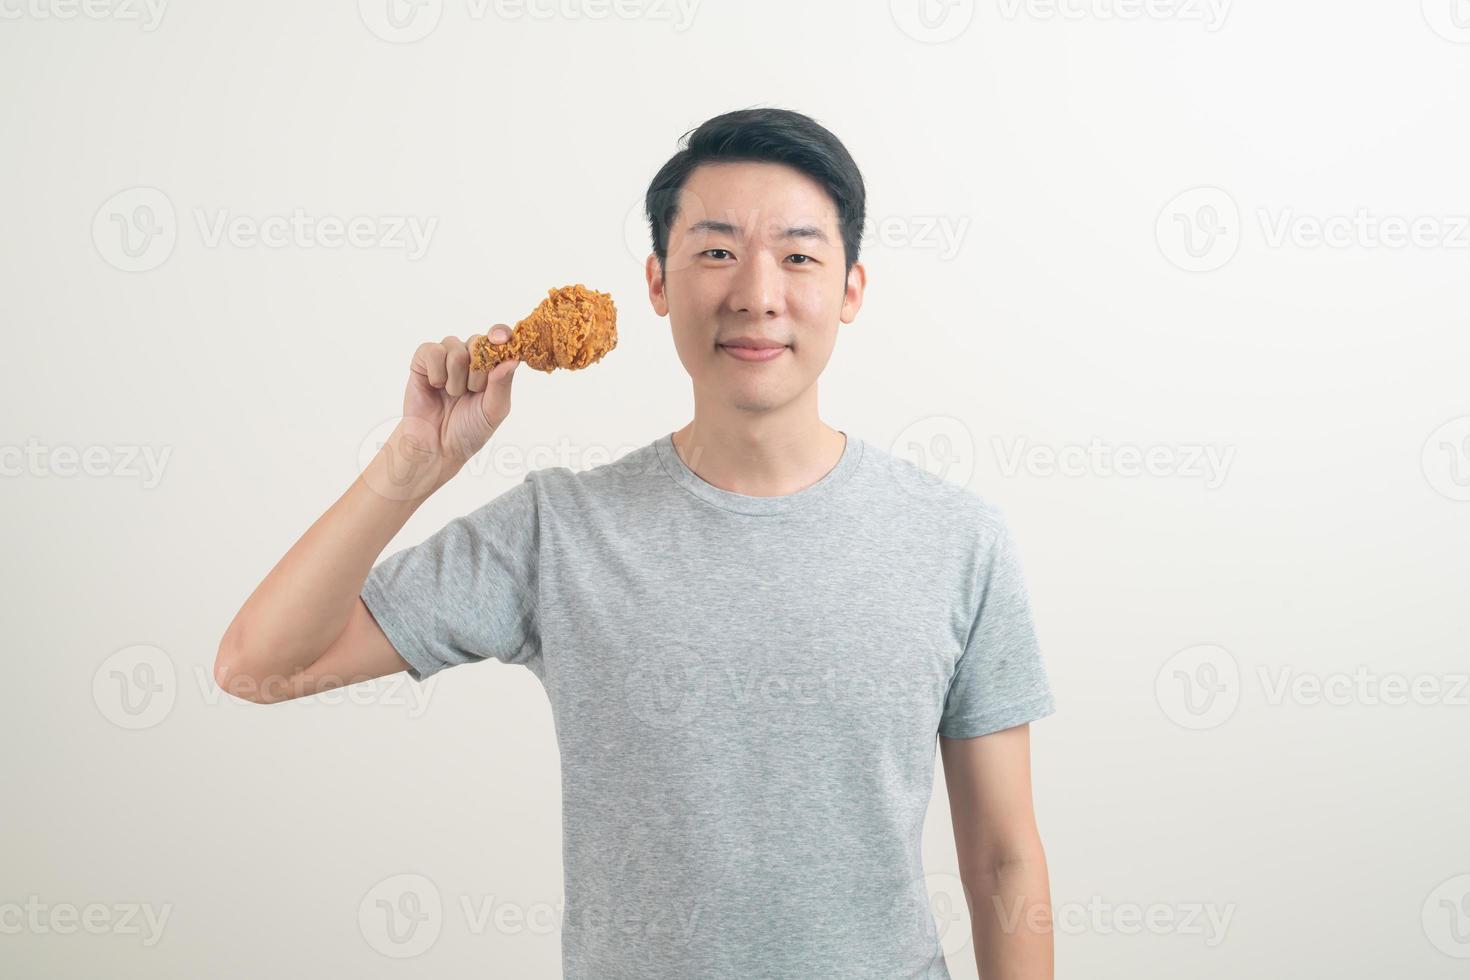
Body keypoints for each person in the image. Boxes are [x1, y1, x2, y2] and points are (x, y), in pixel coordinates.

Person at [215, 106, 1057, 979]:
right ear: (658, 282)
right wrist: (416, 461)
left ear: (851, 288)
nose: (757, 295)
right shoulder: (561, 531)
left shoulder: (957, 540)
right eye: (717, 251)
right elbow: (258, 664)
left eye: (800, 255)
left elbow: (1004, 857)